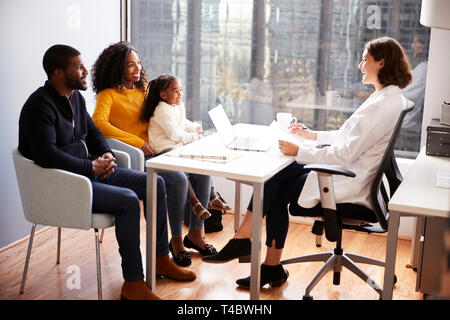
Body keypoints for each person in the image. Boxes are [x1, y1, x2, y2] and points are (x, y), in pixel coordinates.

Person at [203, 37, 412, 289]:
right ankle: (258, 254)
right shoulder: (385, 97)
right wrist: (313, 136)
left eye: (364, 60)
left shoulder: (382, 104)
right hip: (349, 171)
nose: (360, 65)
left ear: (381, 62)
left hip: (345, 179)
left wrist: (300, 150)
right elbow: (350, 137)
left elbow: (346, 152)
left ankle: (252, 248)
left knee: (274, 184)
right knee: (276, 177)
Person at [18, 44, 196, 300]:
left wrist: (107, 154)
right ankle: (133, 283)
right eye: (77, 67)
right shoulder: (39, 106)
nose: (84, 71)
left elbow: (94, 132)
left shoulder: (75, 98)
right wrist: (89, 166)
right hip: (67, 184)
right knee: (128, 200)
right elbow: (47, 155)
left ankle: (160, 260)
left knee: (154, 184)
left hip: (90, 173)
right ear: (58, 73)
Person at [91, 42, 221, 267]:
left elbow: (168, 115)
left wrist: (190, 128)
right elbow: (98, 124)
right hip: (136, 157)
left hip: (160, 150)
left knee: (202, 171)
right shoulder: (108, 95)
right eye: (130, 65)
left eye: (138, 63)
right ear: (116, 67)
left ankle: (196, 234)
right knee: (178, 178)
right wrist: (137, 142)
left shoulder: (144, 90)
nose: (137, 68)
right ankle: (177, 241)